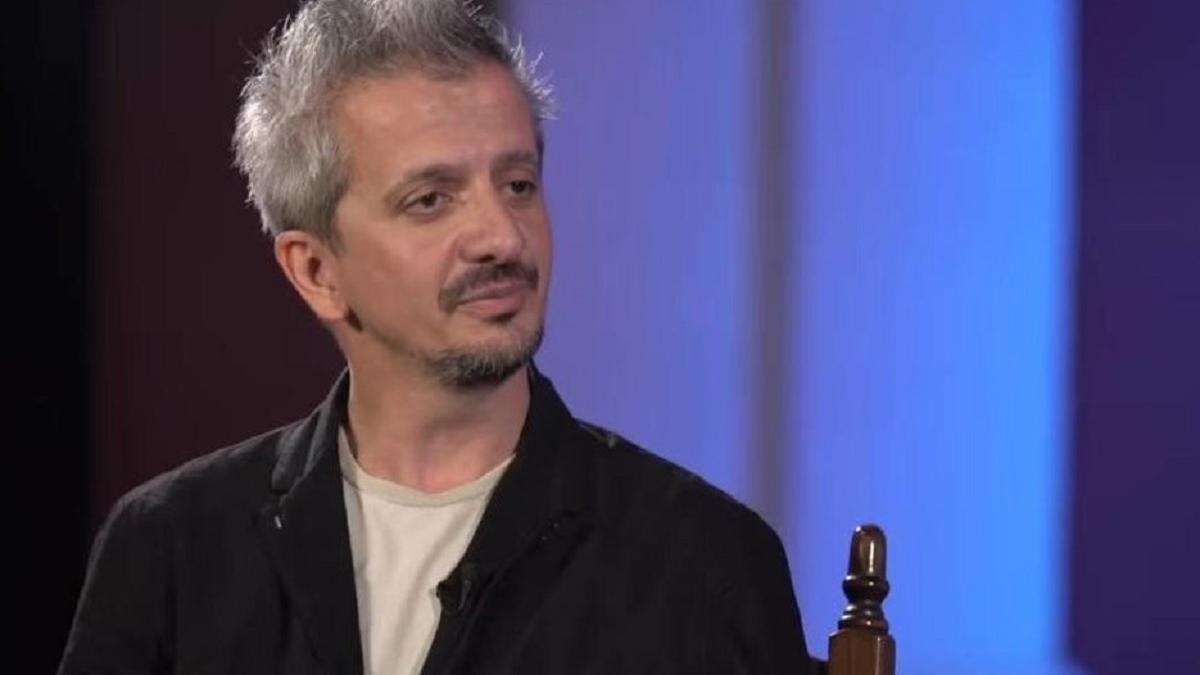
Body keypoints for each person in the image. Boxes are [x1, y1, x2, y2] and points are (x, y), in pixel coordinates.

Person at [59, 1, 815, 673]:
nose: (502, 236)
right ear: (317, 270)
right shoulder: (169, 551)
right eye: (430, 200)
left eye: (517, 184)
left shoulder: (702, 561)